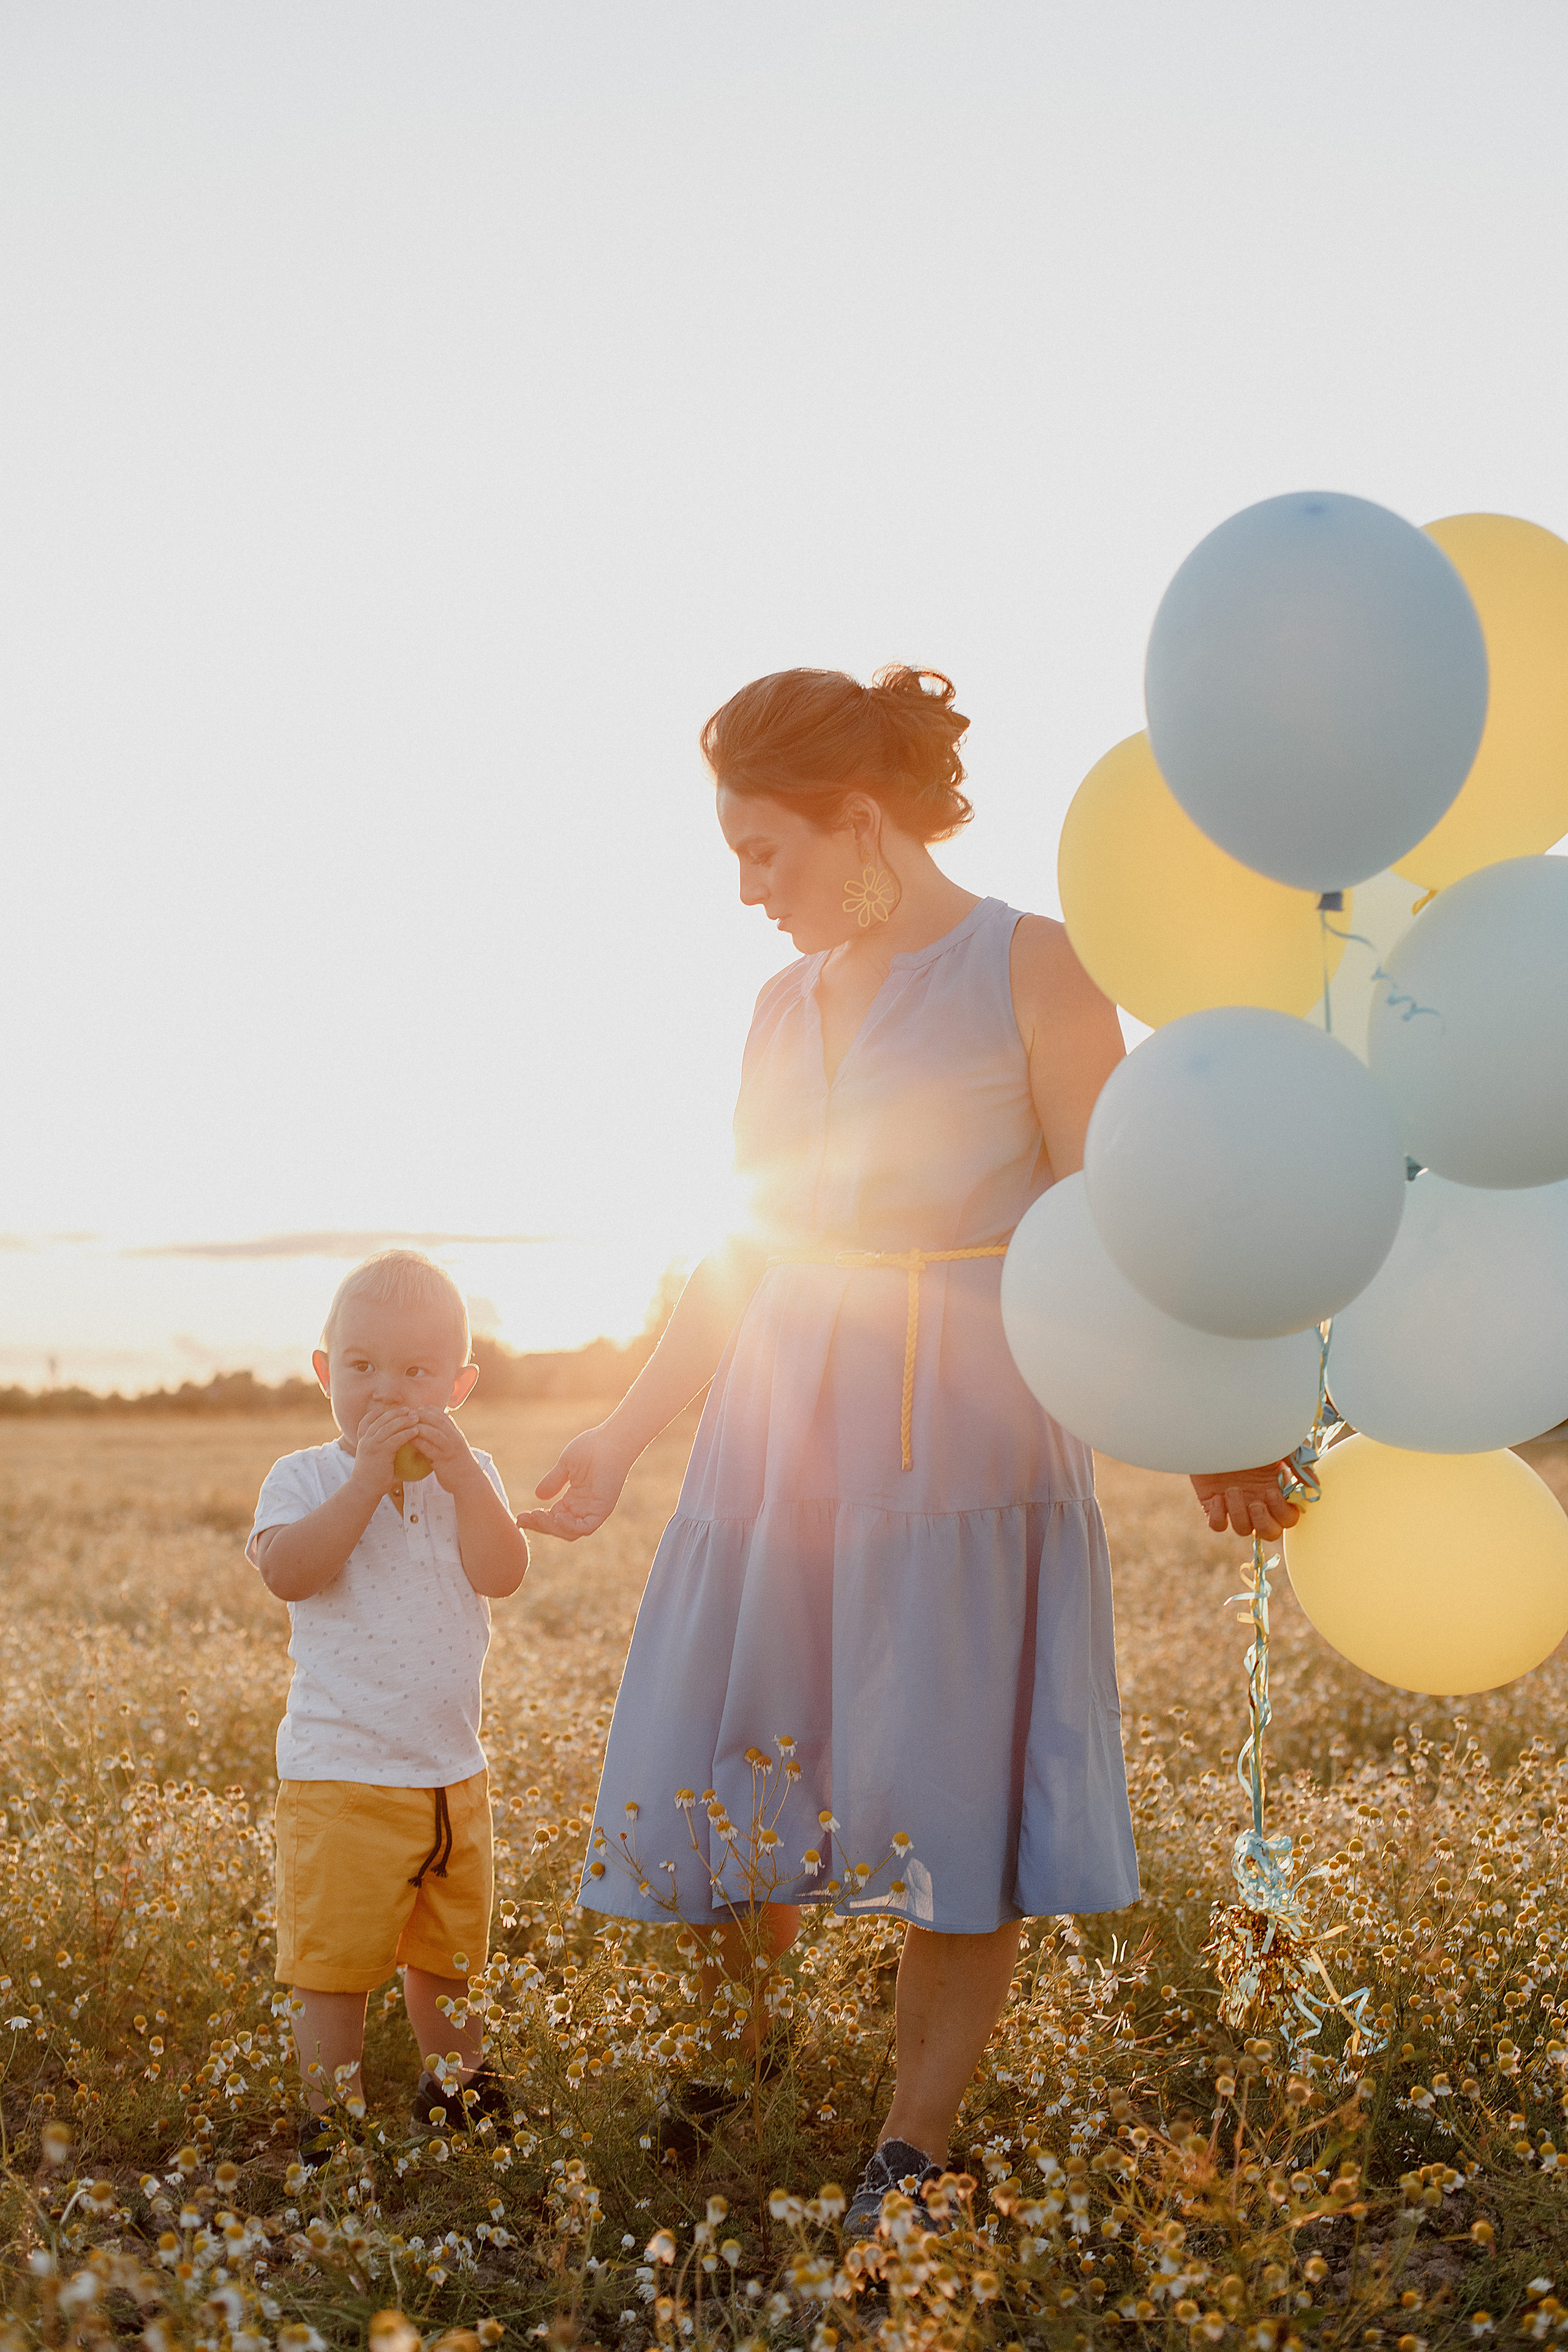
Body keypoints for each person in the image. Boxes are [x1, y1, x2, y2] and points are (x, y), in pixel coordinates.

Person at [519, 665, 1297, 2231]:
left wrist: (1213, 1429)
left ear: (859, 821)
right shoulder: (776, 1006)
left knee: (953, 1794)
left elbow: (1114, 1227)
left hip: (968, 1446)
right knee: (743, 1760)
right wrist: (616, 1437)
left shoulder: (1036, 964)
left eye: (764, 853)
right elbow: (738, 1251)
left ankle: (911, 2143)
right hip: (773, 1443)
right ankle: (733, 2064)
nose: (747, 891)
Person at [247, 1248, 529, 2165]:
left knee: (450, 1954)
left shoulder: (472, 1472)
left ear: (459, 1387)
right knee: (334, 1964)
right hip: (342, 1775)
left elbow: (503, 1572)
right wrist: (368, 1477)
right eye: (362, 1366)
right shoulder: (304, 1476)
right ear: (325, 1371)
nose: (386, 1390)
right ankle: (332, 2120)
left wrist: (467, 1480)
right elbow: (291, 1572)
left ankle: (457, 2089)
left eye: (415, 1372)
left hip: (452, 1770)